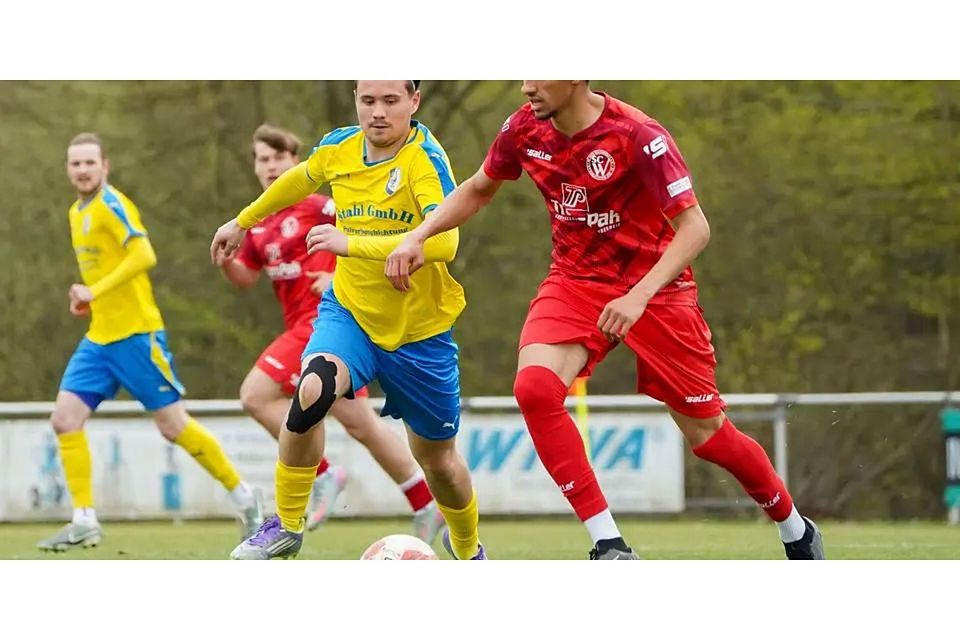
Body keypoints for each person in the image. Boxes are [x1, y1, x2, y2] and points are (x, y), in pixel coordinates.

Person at [384, 81, 825, 561]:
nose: (527, 85)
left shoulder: (639, 135)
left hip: (657, 289)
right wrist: (419, 236)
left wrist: (638, 296)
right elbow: (478, 188)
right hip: (575, 281)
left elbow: (695, 228)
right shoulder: (524, 127)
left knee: (708, 436)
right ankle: (609, 544)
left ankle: (795, 528)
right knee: (534, 389)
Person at [211, 81, 484, 560]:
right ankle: (287, 525)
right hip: (350, 313)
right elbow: (300, 179)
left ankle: (467, 548)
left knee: (439, 462)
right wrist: (242, 221)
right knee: (313, 388)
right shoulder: (340, 146)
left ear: (414, 101)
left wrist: (353, 244)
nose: (377, 112)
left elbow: (445, 242)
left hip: (419, 332)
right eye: (368, 100)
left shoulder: (424, 159)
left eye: (390, 101)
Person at [38, 132, 263, 552]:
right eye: (75, 163)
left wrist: (94, 290)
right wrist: (88, 299)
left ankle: (245, 496)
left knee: (173, 425)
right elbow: (105, 271)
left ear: (105, 166)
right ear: (67, 169)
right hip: (100, 338)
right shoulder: (75, 212)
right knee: (65, 419)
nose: (83, 170)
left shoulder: (112, 204)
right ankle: (84, 519)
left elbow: (144, 255)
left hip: (137, 336)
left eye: (90, 162)